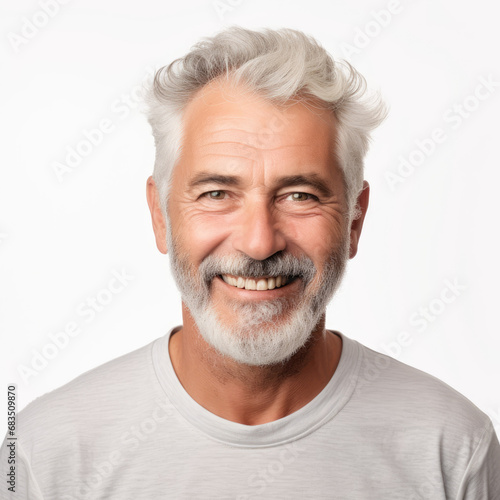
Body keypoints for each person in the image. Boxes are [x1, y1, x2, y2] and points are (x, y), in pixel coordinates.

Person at [2, 26, 499, 500]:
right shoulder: (40, 455)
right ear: (161, 216)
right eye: (217, 193)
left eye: (300, 195)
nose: (260, 244)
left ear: (353, 221)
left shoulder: (453, 446)